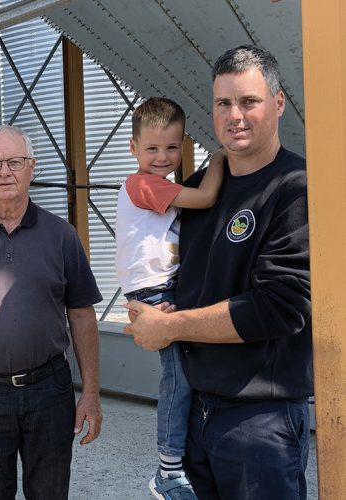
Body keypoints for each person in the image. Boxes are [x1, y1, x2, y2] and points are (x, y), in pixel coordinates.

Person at [125, 45, 312, 500]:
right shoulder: (194, 192)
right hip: (195, 415)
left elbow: (280, 308)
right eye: (223, 103)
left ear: (279, 103)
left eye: (249, 101)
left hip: (260, 421)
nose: (235, 115)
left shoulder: (295, 188)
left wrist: (168, 326)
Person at [0, 124, 103, 499]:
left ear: (32, 167)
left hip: (50, 390)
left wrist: (92, 392)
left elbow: (81, 314)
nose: (4, 172)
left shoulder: (61, 235)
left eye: (14, 162)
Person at [115, 97, 224, 500]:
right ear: (133, 148)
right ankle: (168, 469)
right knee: (177, 378)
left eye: (172, 148)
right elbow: (207, 197)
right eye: (152, 148)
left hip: (164, 286)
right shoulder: (142, 184)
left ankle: (187, 460)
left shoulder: (160, 185)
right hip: (154, 291)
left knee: (190, 373)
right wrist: (219, 159)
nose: (162, 157)